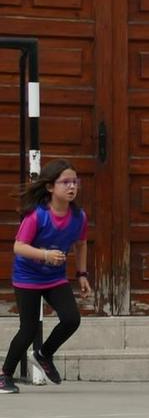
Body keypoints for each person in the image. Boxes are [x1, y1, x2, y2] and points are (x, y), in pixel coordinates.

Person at [4, 160, 93, 394]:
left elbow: (81, 244)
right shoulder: (37, 215)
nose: (72, 186)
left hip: (55, 278)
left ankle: (44, 353)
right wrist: (44, 254)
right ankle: (4, 376)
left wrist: (82, 274)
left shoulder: (79, 217)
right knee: (29, 329)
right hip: (27, 278)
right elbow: (19, 246)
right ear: (51, 187)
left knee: (72, 319)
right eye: (66, 182)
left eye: (75, 182)